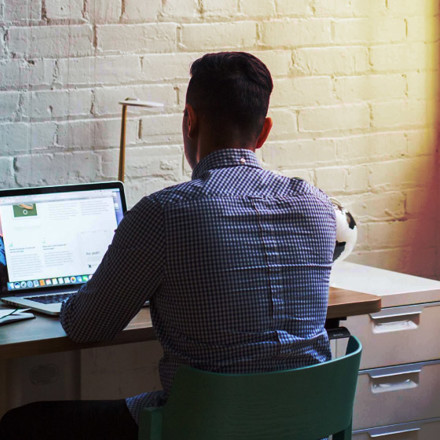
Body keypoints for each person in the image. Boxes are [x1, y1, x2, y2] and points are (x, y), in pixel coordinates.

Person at [0, 52, 336, 440]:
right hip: (305, 427)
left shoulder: (165, 213)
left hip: (201, 427)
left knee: (20, 424)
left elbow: (86, 326)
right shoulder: (318, 206)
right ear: (264, 132)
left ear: (190, 120)